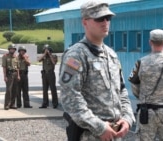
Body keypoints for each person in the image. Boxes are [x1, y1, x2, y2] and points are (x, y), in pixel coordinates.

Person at [58, 0, 135, 140]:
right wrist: (99, 126)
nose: (105, 22)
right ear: (85, 22)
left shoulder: (111, 55)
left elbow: (122, 90)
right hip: (91, 134)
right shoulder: (76, 55)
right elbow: (70, 97)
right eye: (99, 18)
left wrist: (128, 118)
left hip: (115, 133)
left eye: (108, 18)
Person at [128, 29, 163, 141]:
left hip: (146, 113)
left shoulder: (141, 62)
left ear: (150, 42)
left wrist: (142, 97)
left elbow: (134, 85)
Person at [38, 44, 58, 108]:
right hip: (44, 74)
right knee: (44, 89)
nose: (46, 51)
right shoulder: (44, 57)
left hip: (51, 73)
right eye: (45, 50)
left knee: (53, 89)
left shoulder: (54, 56)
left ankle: (55, 103)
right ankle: (45, 103)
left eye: (47, 50)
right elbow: (39, 60)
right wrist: (44, 54)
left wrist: (49, 54)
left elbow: (54, 62)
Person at [2, 44, 20, 110]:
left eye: (14, 49)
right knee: (8, 90)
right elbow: (4, 67)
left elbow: (18, 67)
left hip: (15, 73)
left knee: (15, 90)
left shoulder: (16, 57)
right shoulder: (5, 56)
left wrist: (18, 75)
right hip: (9, 74)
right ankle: (7, 105)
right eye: (11, 49)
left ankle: (12, 104)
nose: (12, 50)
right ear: (9, 49)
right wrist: (4, 76)